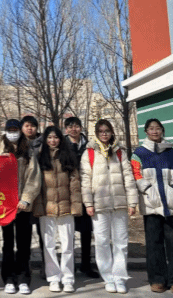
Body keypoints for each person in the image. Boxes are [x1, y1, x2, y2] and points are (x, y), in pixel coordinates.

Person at [80, 119, 138, 294]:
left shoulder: (120, 152)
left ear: (112, 132)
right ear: (96, 133)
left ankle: (119, 278)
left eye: (107, 131)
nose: (104, 134)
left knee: (121, 243)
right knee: (102, 243)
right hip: (99, 205)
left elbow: (128, 177)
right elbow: (85, 180)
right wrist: (88, 203)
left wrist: (132, 202)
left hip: (120, 204)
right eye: (101, 131)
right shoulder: (89, 153)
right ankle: (108, 278)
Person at [131, 119, 173, 294]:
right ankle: (157, 279)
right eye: (151, 128)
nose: (154, 131)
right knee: (154, 244)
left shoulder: (172, 153)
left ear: (162, 130)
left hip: (172, 204)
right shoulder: (139, 153)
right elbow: (135, 173)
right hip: (151, 204)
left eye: (157, 128)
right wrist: (147, 189)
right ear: (146, 132)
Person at [32, 125, 82, 293]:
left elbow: (75, 184)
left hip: (66, 208)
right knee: (49, 245)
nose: (53, 140)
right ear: (45, 140)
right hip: (47, 209)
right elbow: (37, 186)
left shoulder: (68, 156)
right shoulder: (40, 158)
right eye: (49, 137)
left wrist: (76, 206)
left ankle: (68, 279)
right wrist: (38, 208)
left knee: (68, 245)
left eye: (56, 137)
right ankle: (53, 278)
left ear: (60, 139)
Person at [0, 119, 42, 295]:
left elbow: (34, 176)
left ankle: (23, 278)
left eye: (16, 129)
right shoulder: (0, 150)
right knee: (7, 244)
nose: (13, 132)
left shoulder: (27, 150)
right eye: (10, 129)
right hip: (5, 206)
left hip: (23, 207)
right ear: (6, 131)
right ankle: (8, 278)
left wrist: (26, 199)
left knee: (24, 243)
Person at [64, 116, 100, 279]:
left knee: (86, 231)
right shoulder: (62, 145)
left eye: (76, 126)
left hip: (86, 192)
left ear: (81, 128)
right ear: (66, 129)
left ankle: (86, 265)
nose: (74, 129)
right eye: (70, 126)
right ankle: (69, 266)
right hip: (68, 193)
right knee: (68, 232)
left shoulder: (90, 146)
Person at [19, 115, 46, 280]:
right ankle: (25, 264)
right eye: (26, 125)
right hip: (23, 195)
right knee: (25, 234)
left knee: (44, 233)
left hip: (43, 194)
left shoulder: (44, 144)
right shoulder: (17, 144)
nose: (30, 128)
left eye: (33, 126)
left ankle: (46, 264)